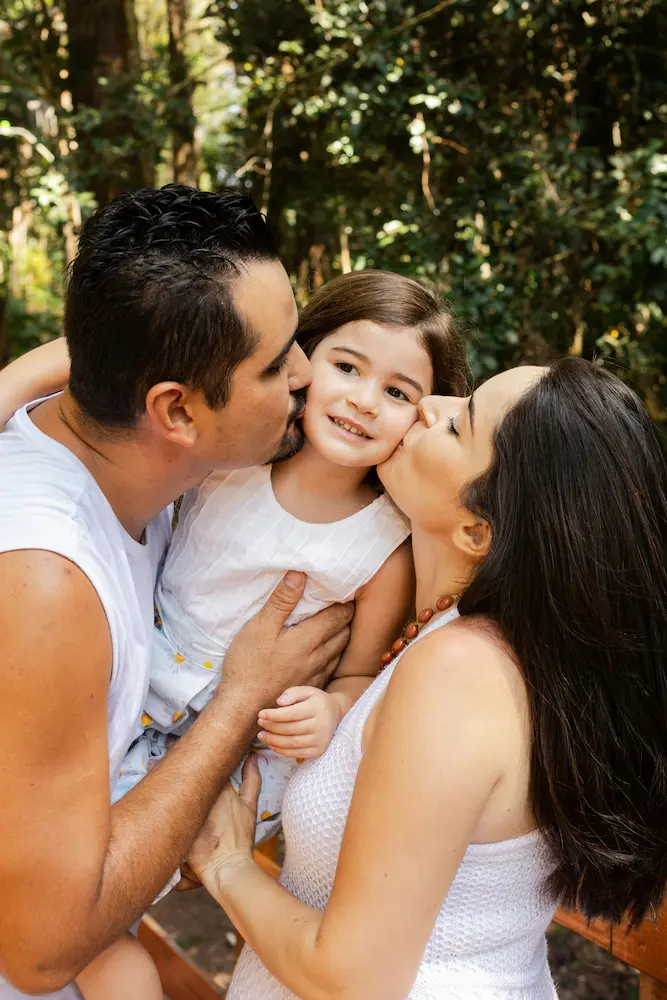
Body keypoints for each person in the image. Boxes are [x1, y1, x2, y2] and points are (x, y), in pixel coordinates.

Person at [1, 269, 469, 1000]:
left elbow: (354, 675)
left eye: (398, 392)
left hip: (232, 757)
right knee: (82, 925)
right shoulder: (230, 463)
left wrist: (331, 710)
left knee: (88, 929)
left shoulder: (383, 545)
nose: (361, 400)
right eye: (345, 368)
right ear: (298, 366)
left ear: (419, 414)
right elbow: (151, 353)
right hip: (131, 718)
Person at [186, 358, 667, 1000]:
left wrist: (227, 865)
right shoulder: (476, 644)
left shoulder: (460, 672)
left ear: (477, 531)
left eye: (458, 423)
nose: (428, 405)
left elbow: (353, 977)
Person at [0, 185, 354, 999]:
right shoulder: (47, 582)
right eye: (275, 363)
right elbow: (42, 951)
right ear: (176, 412)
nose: (304, 374)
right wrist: (242, 702)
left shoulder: (113, 442)